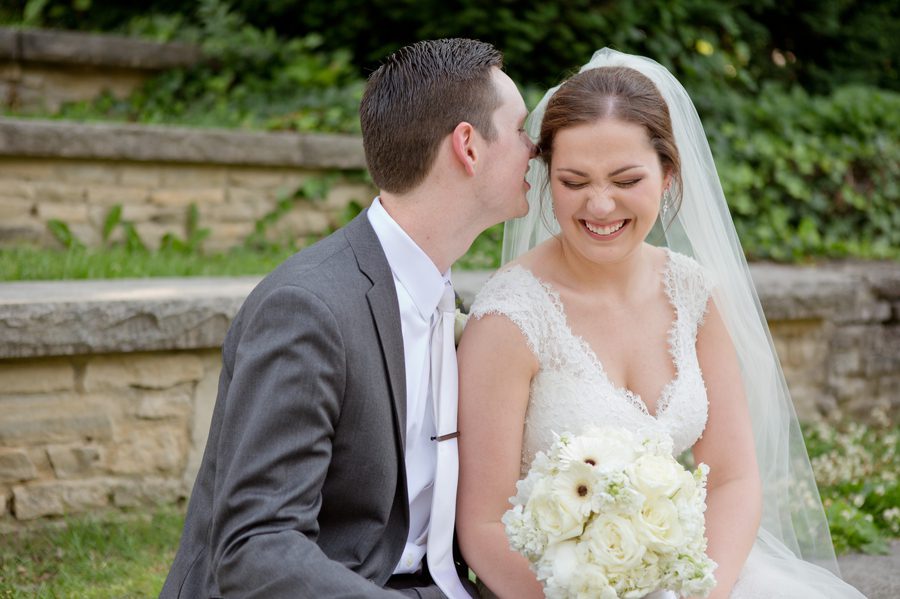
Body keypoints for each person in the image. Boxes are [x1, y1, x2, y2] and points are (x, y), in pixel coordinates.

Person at [456, 48, 865, 598]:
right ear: (547, 178)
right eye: (574, 181)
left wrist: (700, 591)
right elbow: (482, 527)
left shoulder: (692, 292)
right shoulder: (510, 316)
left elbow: (733, 478)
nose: (599, 206)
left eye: (625, 179)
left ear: (668, 174)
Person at [160, 37, 535, 599]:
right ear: (468, 147)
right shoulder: (308, 310)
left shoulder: (449, 298)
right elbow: (256, 548)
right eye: (522, 129)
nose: (536, 149)